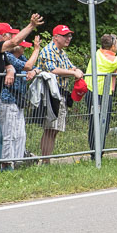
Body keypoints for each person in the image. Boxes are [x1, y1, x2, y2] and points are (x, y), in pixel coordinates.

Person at [0, 17, 40, 168]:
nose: (14, 38)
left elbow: (10, 64)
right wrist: (31, 26)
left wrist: (10, 71)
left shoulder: (1, 52)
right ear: (4, 36)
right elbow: (14, 44)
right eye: (11, 34)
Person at [36, 24, 81, 162]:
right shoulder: (49, 50)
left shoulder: (61, 52)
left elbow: (70, 66)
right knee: (50, 129)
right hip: (50, 94)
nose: (69, 38)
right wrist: (74, 73)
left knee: (55, 129)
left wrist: (75, 69)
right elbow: (53, 69)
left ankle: (47, 159)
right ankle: (45, 160)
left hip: (61, 93)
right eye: (65, 35)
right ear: (56, 37)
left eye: (70, 35)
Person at [0, 33, 40, 167]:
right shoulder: (9, 57)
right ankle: (7, 163)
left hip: (18, 101)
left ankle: (18, 162)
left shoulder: (21, 57)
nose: (25, 49)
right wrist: (36, 50)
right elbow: (28, 66)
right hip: (8, 100)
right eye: (23, 46)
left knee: (20, 133)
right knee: (9, 134)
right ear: (17, 47)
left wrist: (34, 71)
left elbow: (34, 67)